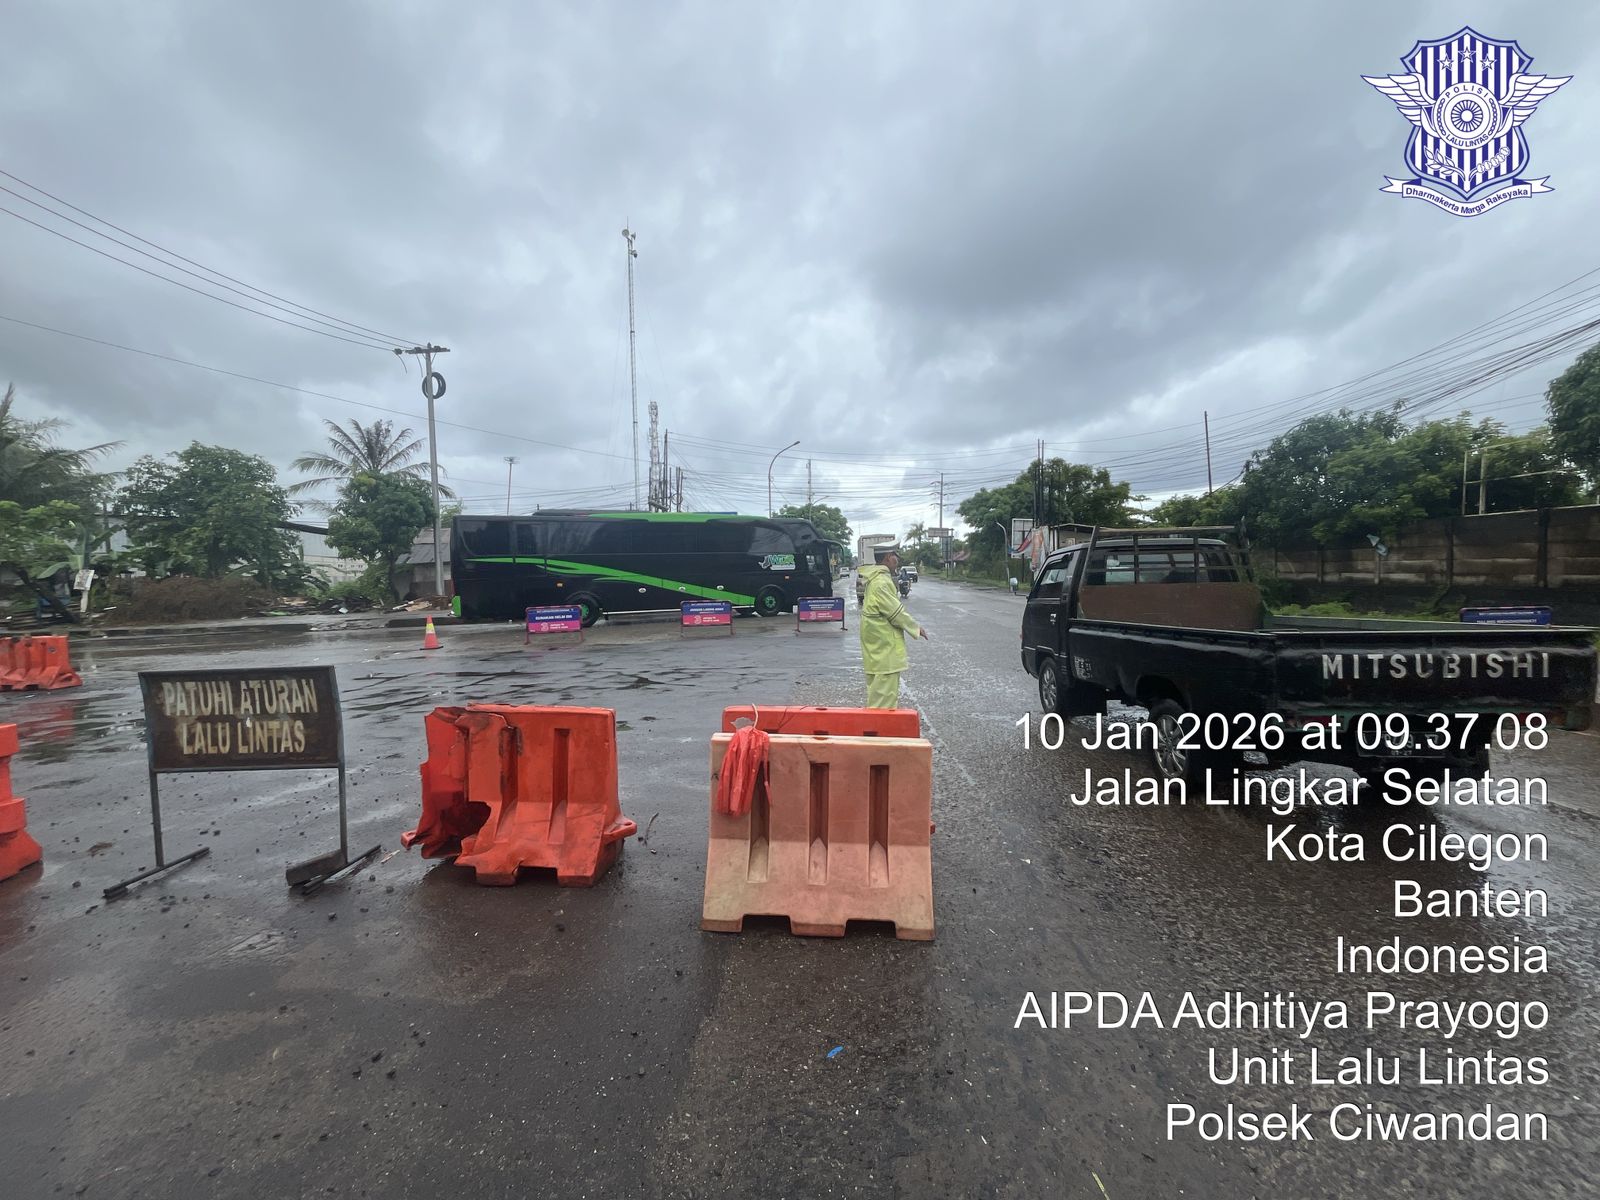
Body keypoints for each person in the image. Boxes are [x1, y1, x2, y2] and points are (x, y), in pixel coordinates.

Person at [858, 543, 928, 708]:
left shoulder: (874, 578)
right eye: (895, 555)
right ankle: (879, 725)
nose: (897, 559)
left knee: (877, 695)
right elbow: (896, 612)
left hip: (876, 648)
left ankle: (876, 723)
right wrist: (916, 628)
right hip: (884, 650)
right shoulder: (881, 582)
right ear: (889, 557)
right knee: (884, 700)